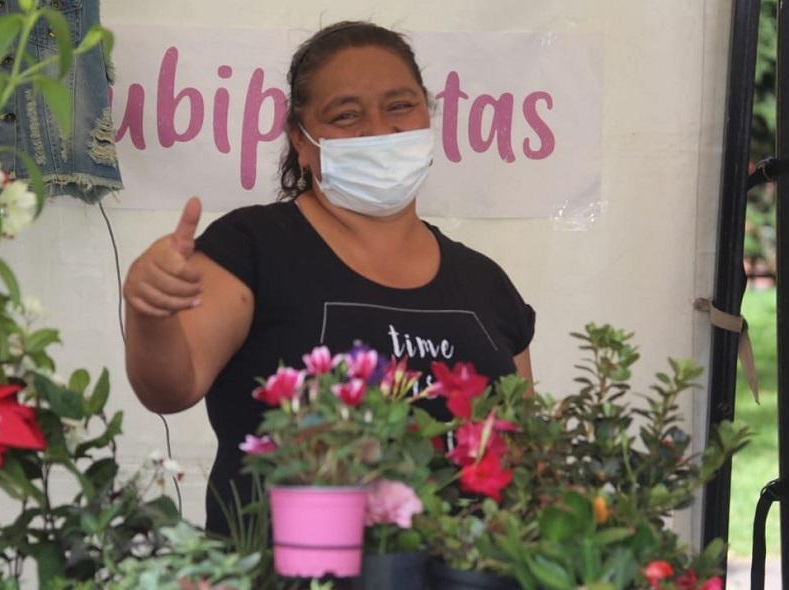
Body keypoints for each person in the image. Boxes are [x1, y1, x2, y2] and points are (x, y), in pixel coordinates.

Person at [123, 21, 535, 535]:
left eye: (400, 106)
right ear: (302, 140)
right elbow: (170, 388)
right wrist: (150, 312)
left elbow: (527, 459)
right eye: (346, 115)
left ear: (427, 116)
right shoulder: (251, 247)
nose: (379, 130)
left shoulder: (486, 283)